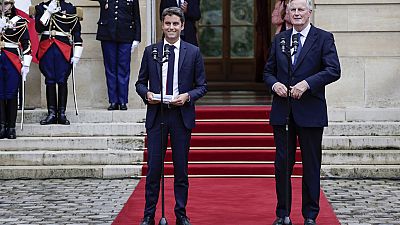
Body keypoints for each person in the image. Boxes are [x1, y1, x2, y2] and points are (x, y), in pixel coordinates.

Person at [263, 0, 341, 224]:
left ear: (309, 12)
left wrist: (307, 84)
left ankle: (310, 216)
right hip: (283, 111)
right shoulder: (279, 40)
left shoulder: (324, 38)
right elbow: (268, 71)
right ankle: (283, 214)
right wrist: (274, 84)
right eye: (293, 10)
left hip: (311, 111)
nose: (296, 13)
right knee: (282, 166)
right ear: (287, 13)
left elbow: (333, 70)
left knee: (311, 166)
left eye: (300, 10)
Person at [135, 7, 207, 225]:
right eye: (167, 23)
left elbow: (202, 86)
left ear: (183, 26)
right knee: (154, 168)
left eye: (176, 24)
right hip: (157, 115)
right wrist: (146, 94)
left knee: (181, 169)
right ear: (162, 25)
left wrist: (187, 96)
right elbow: (139, 83)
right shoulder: (151, 51)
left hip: (181, 115)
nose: (171, 28)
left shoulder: (193, 52)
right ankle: (149, 214)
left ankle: (181, 213)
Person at [34, 0, 83, 125]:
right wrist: (48, 12)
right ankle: (51, 113)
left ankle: (61, 113)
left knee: (62, 80)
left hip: (63, 49)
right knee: (49, 80)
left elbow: (76, 31)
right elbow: (38, 28)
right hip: (47, 48)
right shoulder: (41, 7)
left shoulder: (69, 8)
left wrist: (77, 53)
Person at [94, 0, 141, 111]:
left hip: (126, 35)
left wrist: (137, 38)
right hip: (107, 34)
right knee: (110, 69)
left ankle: (123, 100)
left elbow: (136, 17)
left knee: (123, 69)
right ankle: (113, 101)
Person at [0, 0, 32, 139]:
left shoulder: (19, 22)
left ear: (12, 5)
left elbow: (26, 44)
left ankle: (11, 127)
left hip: (12, 59)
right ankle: (1, 126)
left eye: (6, 4)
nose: (3, 7)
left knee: (11, 92)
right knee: (0, 93)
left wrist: (26, 64)